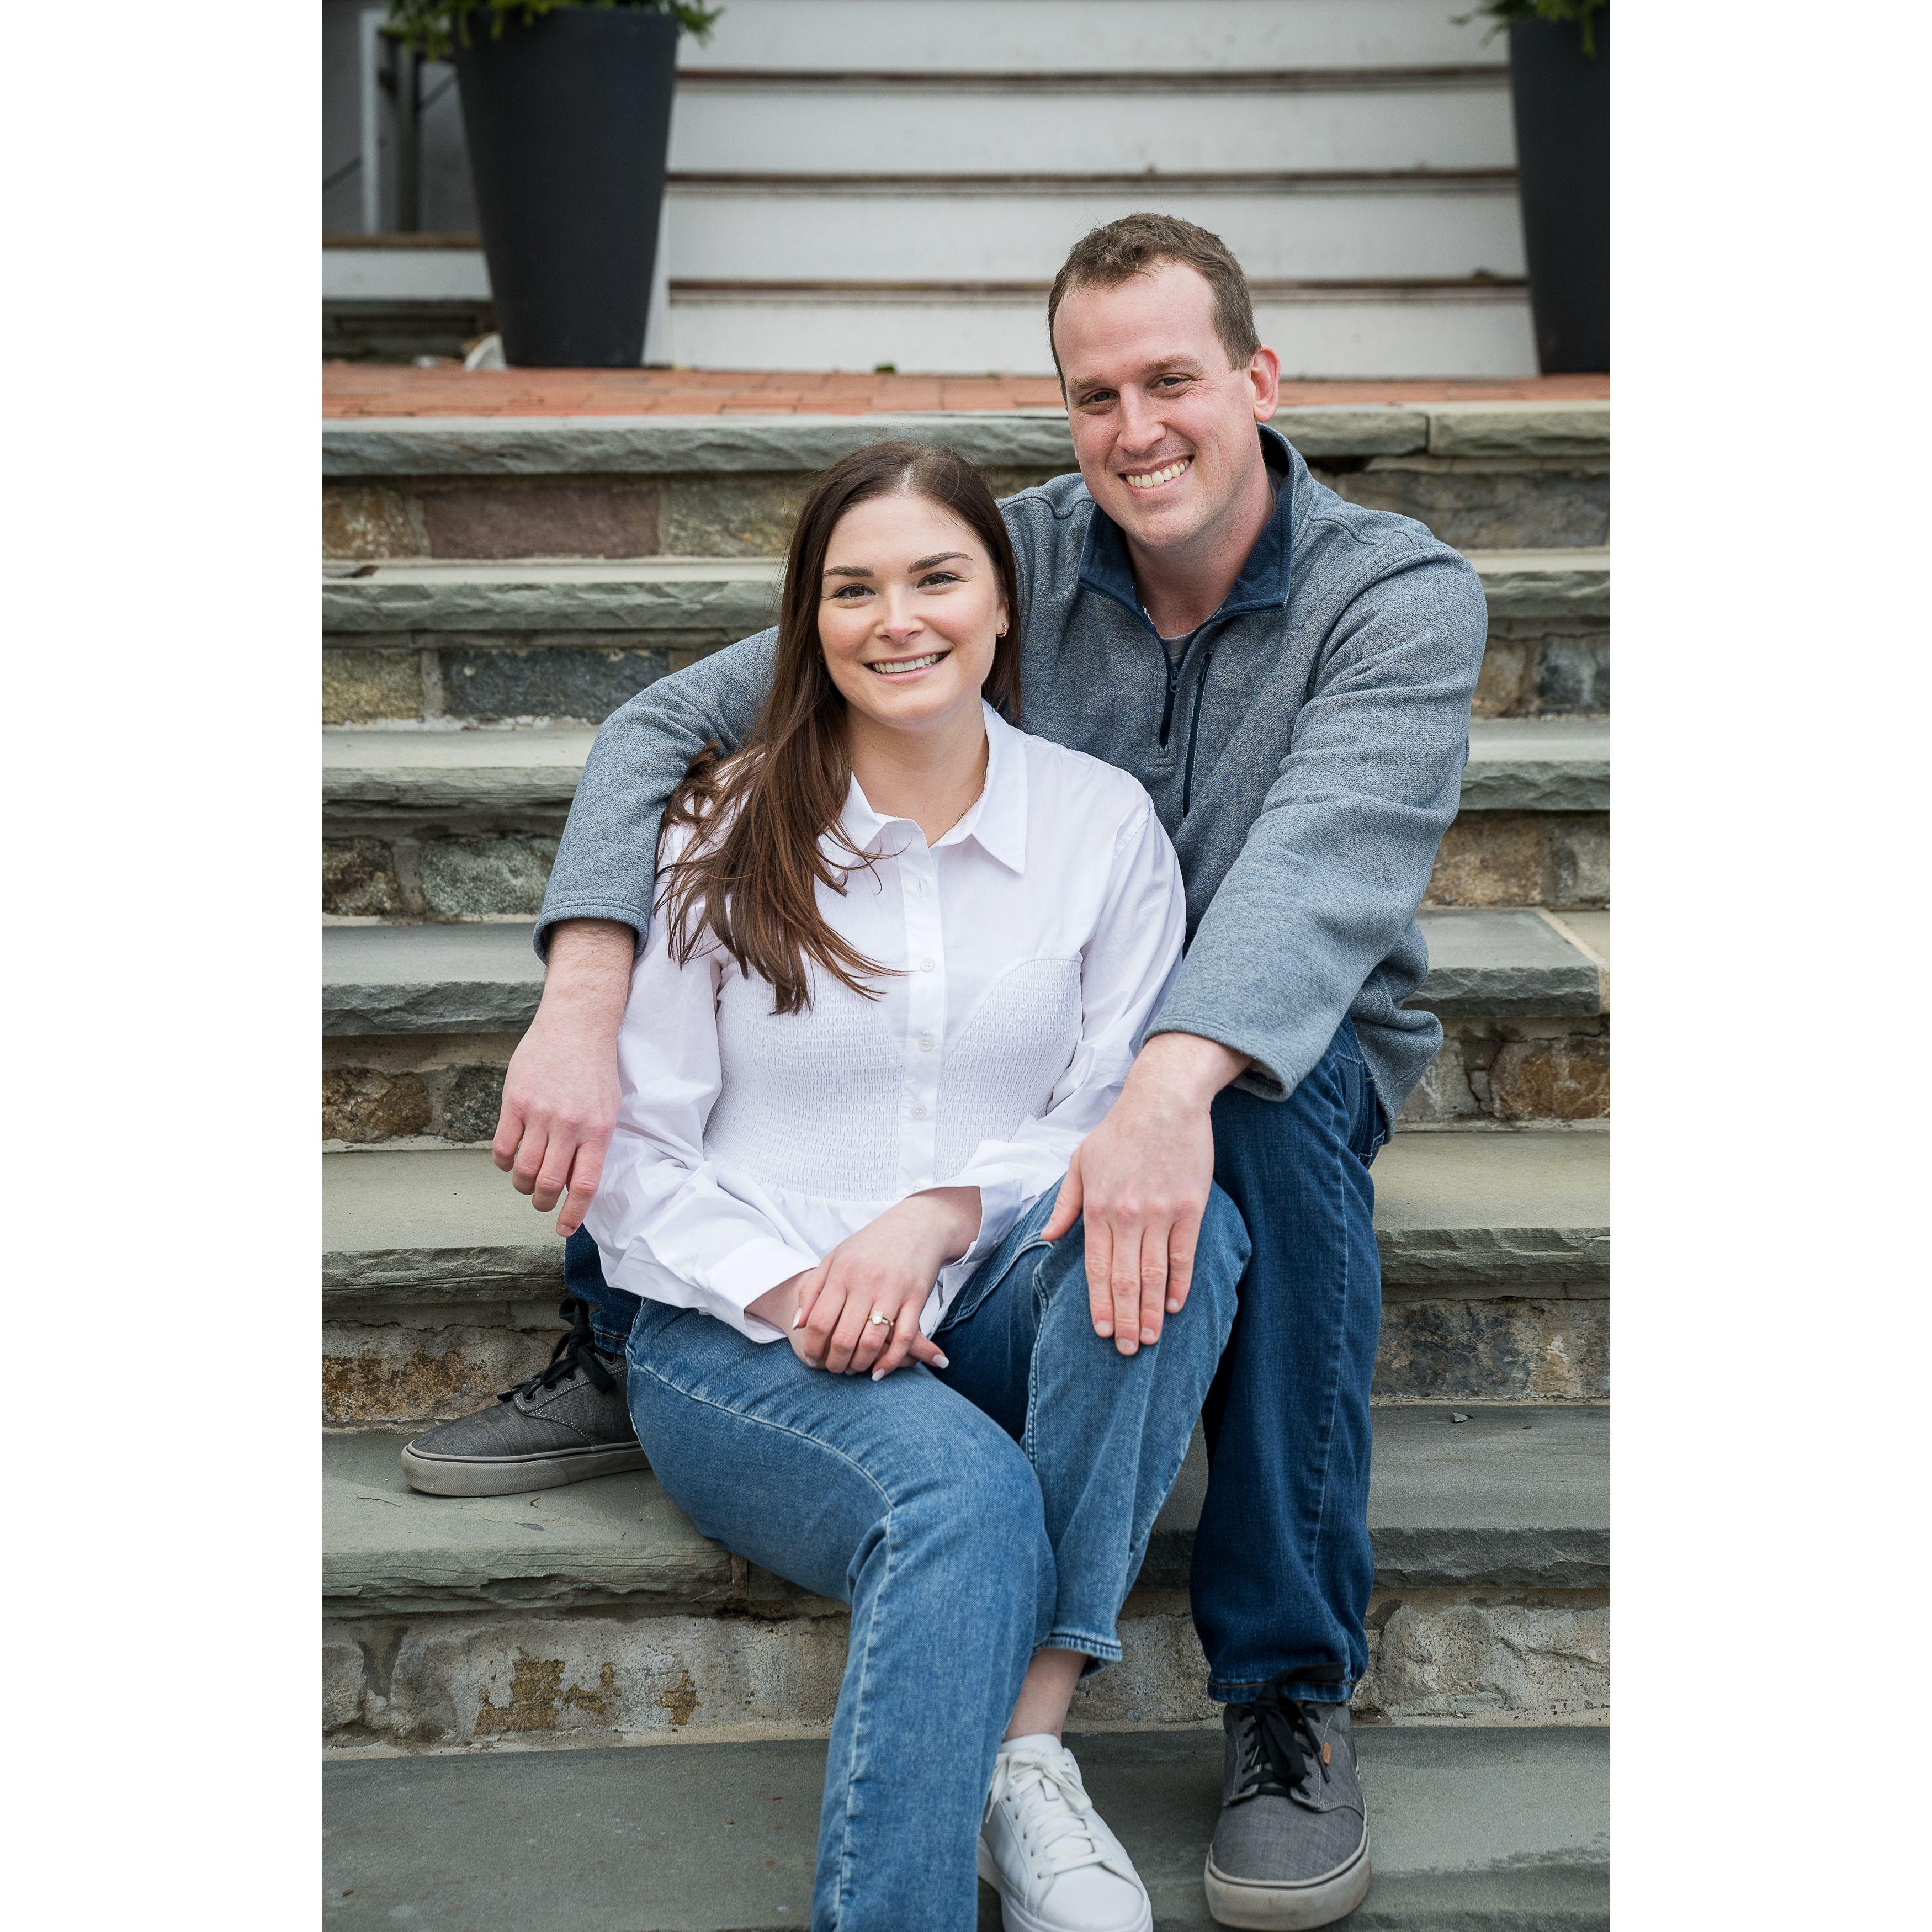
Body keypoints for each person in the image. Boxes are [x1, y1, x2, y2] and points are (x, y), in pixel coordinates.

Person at [405, 212, 1488, 1930]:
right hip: (953, 1113)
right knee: (782, 1135)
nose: (1134, 429)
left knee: (1239, 1157)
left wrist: (1149, 1101)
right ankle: (649, 1331)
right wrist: (584, 988)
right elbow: (672, 726)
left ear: (1260, 380)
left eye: (1171, 381)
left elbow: (1318, 869)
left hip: (1271, 1031)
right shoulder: (1003, 557)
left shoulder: (1393, 595)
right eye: (1092, 394)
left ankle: (1284, 1687)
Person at [413, 440, 1247, 1932]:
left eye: (936, 578)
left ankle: (1022, 1757)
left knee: (1185, 1224)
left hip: (988, 1299)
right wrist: (798, 1287)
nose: (895, 619)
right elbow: (638, 1155)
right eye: (852, 589)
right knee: (963, 1497)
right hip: (735, 1341)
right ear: (809, 619)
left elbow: (1108, 1102)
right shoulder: (719, 830)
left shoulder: (1099, 824)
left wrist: (938, 1214)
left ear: (1006, 603)